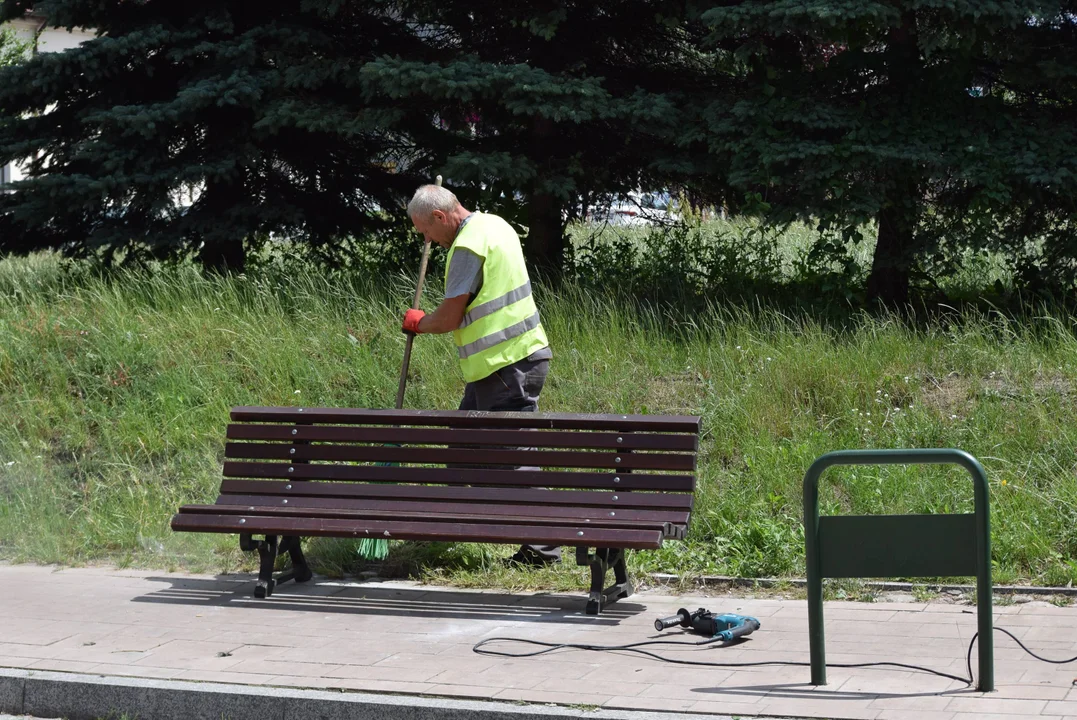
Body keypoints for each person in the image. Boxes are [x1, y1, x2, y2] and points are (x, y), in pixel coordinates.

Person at [401, 184, 560, 567]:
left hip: (506, 366)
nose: (426, 239)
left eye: (425, 230)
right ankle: (451, 529)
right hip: (505, 363)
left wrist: (418, 323)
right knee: (462, 450)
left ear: (440, 217)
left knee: (512, 458)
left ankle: (543, 550)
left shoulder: (467, 247)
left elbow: (451, 316)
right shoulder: (495, 225)